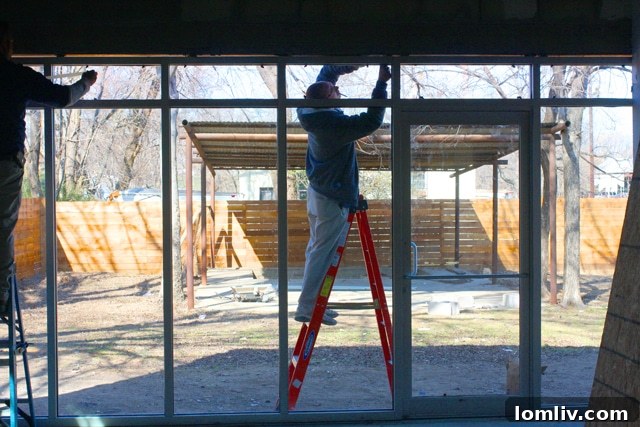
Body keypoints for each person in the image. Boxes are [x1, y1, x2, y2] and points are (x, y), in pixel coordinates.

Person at [0, 21, 98, 317]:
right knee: (2, 228)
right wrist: (86, 83)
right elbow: (63, 97)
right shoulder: (16, 76)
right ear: (7, 46)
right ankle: (1, 295)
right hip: (5, 161)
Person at [294, 64, 391, 326]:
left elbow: (326, 75)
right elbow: (371, 121)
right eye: (335, 92)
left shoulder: (310, 109)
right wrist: (381, 84)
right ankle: (306, 308)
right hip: (331, 198)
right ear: (327, 101)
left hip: (320, 192)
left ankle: (313, 305)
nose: (338, 91)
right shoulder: (331, 124)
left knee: (317, 250)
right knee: (321, 254)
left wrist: (348, 65)